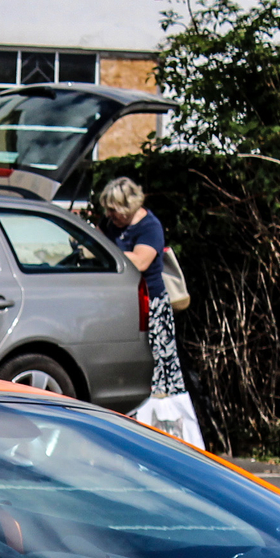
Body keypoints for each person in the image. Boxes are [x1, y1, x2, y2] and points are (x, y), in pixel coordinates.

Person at [97, 175, 200, 445]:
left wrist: (100, 249)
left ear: (129, 206)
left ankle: (164, 434)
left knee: (158, 368)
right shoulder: (110, 225)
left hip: (150, 306)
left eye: (114, 210)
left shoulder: (149, 226)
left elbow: (142, 261)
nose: (109, 216)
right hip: (120, 305)